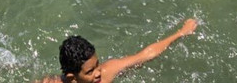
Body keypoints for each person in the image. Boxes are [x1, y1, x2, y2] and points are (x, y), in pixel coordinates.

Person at [38, 18, 197, 83]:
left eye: (97, 64)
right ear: (73, 76)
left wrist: (181, 33)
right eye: (90, 72)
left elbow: (145, 55)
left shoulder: (107, 72)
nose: (98, 72)